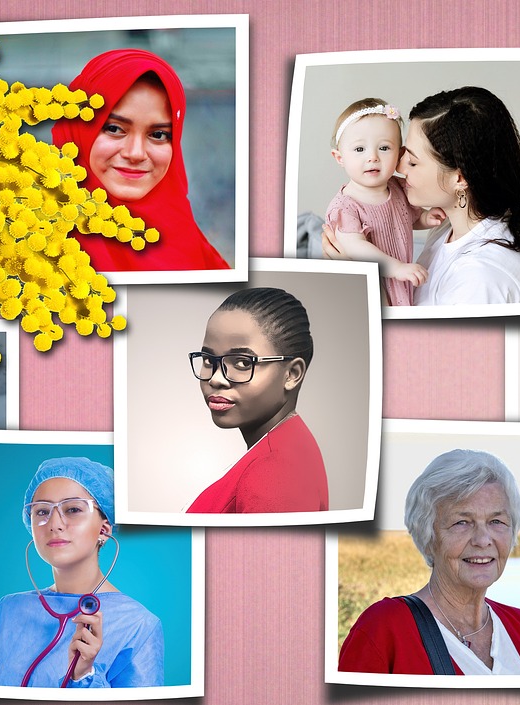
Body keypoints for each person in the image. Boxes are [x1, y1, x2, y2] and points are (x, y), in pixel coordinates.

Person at [338, 449, 520, 675]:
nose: (483, 540)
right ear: (428, 536)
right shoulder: (383, 629)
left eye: (496, 521)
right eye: (462, 522)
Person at [324, 86, 520, 305]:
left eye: (413, 161)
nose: (399, 167)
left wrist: (361, 285)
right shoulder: (448, 225)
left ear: (460, 179)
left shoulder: (480, 281)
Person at [0, 457, 164, 688]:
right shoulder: (6, 610)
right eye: (41, 512)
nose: (54, 524)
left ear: (104, 529)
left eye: (73, 509)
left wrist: (84, 676)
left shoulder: (138, 624)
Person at [53, 48, 229, 272]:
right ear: (77, 129)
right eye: (114, 128)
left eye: (158, 135)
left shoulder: (190, 246)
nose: (136, 153)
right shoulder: (28, 243)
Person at [186, 287, 328, 513]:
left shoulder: (277, 473)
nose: (216, 378)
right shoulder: (284, 448)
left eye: (242, 363)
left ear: (292, 374)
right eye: (208, 359)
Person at [324, 98, 445, 306]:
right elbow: (355, 248)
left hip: (399, 280)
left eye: (384, 148)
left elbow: (405, 219)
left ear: (399, 154)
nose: (372, 157)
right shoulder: (345, 207)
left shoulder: (398, 187)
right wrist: (396, 268)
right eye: (360, 149)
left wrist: (424, 217)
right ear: (339, 157)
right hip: (371, 284)